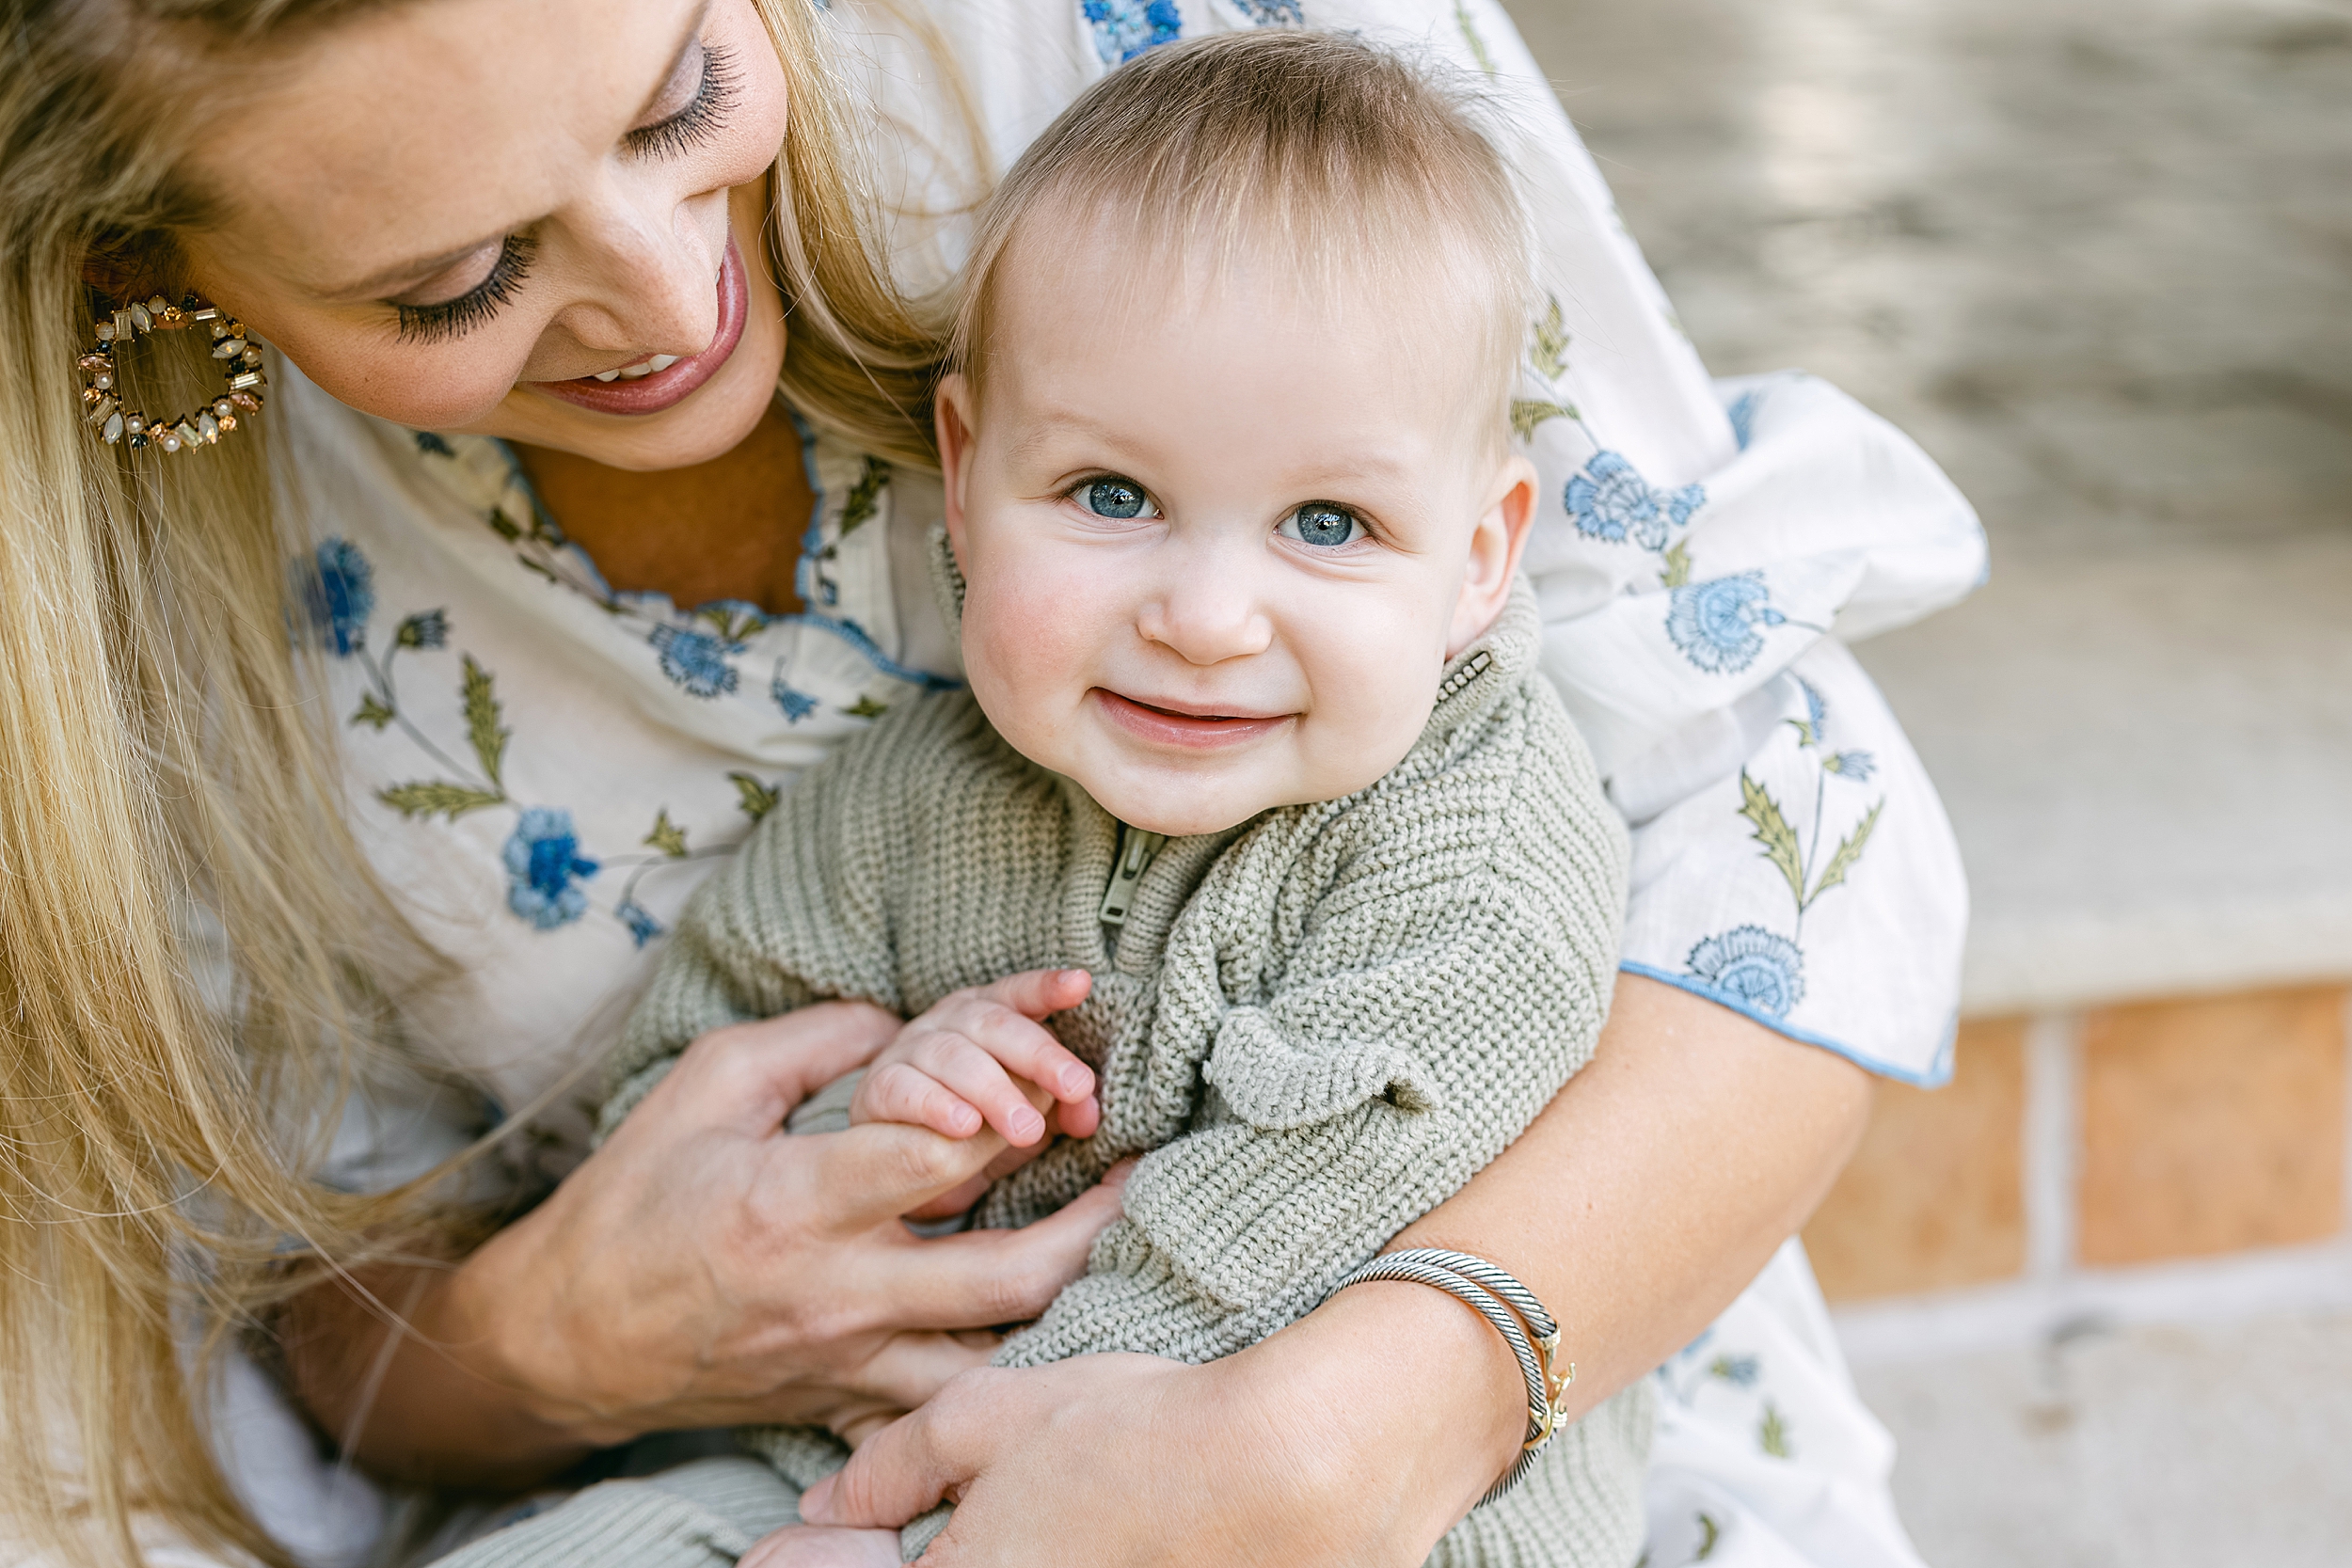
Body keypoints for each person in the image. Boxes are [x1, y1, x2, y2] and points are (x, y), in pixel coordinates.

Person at [0, 2, 1981, 1567]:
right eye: (453, 278)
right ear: (139, 281)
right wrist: (613, 1294)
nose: (667, 288)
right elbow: (298, 1293)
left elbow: (1764, 839)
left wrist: (1346, 1425)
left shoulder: (1187, 107)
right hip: (763, 1475)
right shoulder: (905, 794)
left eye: (678, 93)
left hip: (1382, 1464)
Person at [537, 33, 1641, 1567]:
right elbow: (682, 1098)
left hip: (1316, 1501)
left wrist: (919, 1520)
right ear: (972, 472)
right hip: (840, 1469)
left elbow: (1283, 1235)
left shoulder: (1481, 848)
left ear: (1476, 558)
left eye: (1328, 523)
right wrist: (888, 1109)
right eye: (1112, 497)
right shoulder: (913, 796)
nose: (1204, 616)